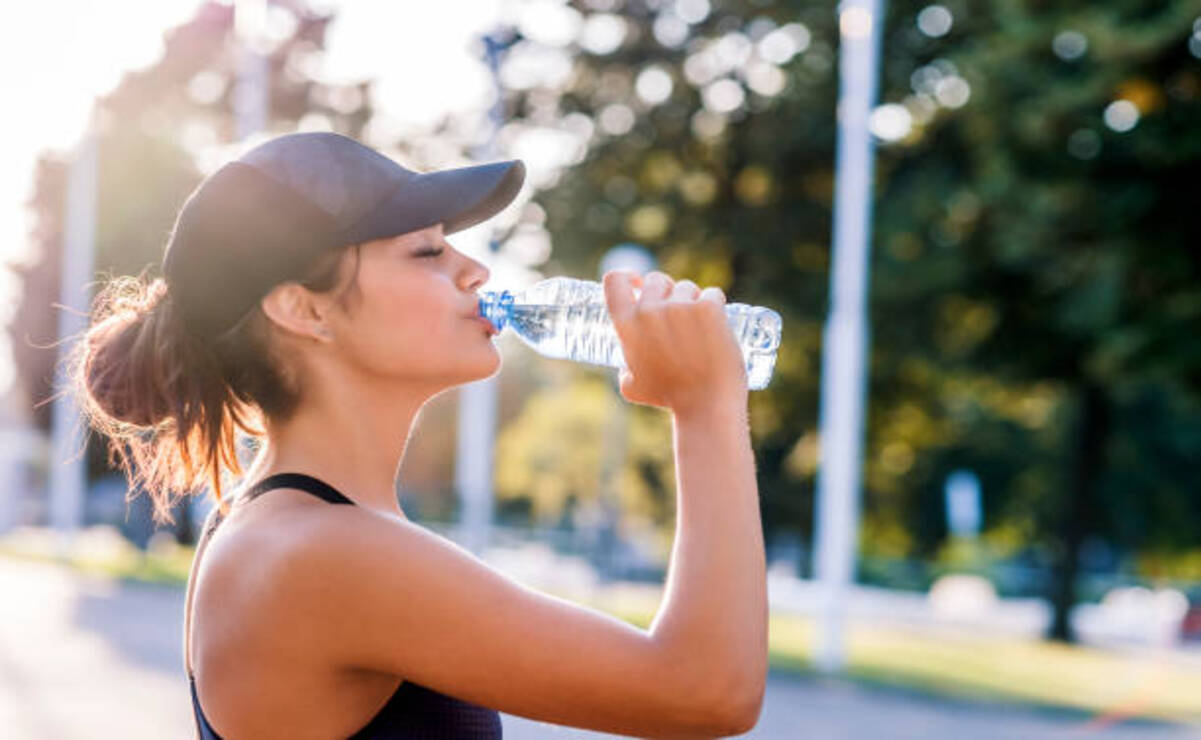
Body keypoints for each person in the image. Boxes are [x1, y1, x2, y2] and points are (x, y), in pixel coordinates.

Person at [69, 132, 767, 738]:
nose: (476, 270)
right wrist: (704, 408)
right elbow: (704, 692)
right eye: (427, 252)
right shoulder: (320, 554)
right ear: (304, 309)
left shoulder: (292, 529)